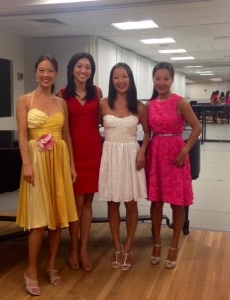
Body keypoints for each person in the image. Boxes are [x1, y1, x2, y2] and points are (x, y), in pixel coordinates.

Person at [16, 54, 78, 296]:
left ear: (56, 74)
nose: (45, 74)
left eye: (50, 70)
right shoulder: (24, 101)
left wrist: (72, 165)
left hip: (59, 159)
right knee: (39, 221)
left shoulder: (61, 103)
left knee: (58, 217)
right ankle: (30, 271)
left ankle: (51, 263)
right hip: (37, 161)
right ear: (35, 73)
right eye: (42, 70)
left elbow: (67, 135)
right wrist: (26, 164)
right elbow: (22, 135)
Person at [145, 62, 201, 269]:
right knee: (156, 202)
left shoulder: (180, 102)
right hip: (156, 154)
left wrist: (185, 150)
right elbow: (147, 132)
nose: (161, 83)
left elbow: (196, 128)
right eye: (157, 78)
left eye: (165, 78)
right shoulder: (150, 105)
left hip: (176, 153)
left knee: (177, 203)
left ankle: (174, 245)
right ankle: (157, 243)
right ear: (153, 79)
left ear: (172, 79)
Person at [98, 62, 150, 271]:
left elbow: (147, 132)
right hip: (110, 155)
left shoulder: (139, 106)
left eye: (124, 76)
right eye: (116, 77)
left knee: (130, 204)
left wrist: (142, 151)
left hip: (130, 155)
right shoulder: (103, 104)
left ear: (130, 79)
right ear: (111, 81)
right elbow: (92, 126)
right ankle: (116, 247)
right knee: (112, 204)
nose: (120, 81)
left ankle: (128, 247)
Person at [56, 52, 102, 272]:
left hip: (94, 151)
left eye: (88, 67)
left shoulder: (97, 92)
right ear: (72, 68)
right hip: (73, 154)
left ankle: (84, 249)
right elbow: (60, 129)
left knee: (88, 202)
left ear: (92, 71)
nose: (83, 70)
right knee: (76, 203)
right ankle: (72, 248)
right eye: (79, 66)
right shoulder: (61, 94)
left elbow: (102, 121)